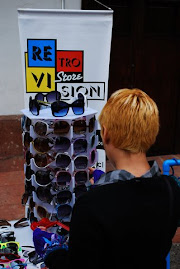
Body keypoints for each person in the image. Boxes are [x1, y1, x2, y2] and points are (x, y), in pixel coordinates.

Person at [45, 88, 180, 269]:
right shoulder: (171, 189)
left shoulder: (90, 204)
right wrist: (107, 181)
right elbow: (138, 205)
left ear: (106, 133)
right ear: (152, 134)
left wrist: (52, 252)